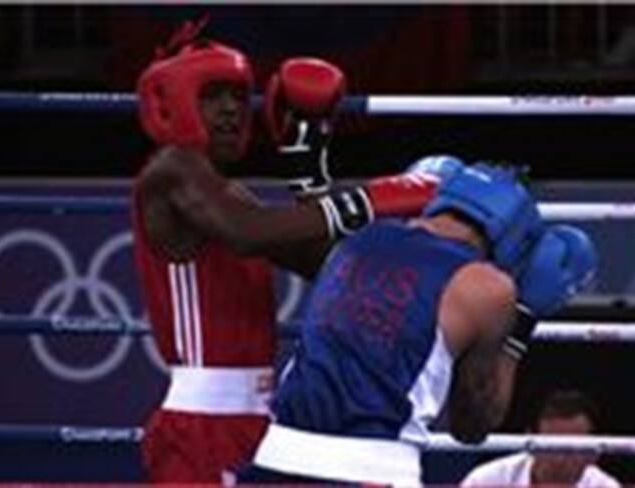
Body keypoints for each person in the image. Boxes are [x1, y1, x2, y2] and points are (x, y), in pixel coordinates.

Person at [132, 19, 442, 483]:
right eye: (213, 96)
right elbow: (246, 233)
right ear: (175, 102)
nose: (231, 109)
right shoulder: (171, 171)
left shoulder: (230, 195)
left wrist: (308, 175)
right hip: (201, 425)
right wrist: (367, 200)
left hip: (260, 421)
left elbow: (328, 266)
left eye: (238, 97)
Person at [237, 163, 598, 485]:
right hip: (372, 467)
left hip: (273, 457)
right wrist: (523, 318)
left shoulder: (355, 241)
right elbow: (473, 424)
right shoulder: (487, 287)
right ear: (514, 237)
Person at [460, 389, 620, 487]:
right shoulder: (486, 481)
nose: (560, 461)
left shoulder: (605, 486)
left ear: (594, 454)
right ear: (531, 445)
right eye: (551, 447)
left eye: (571, 449)